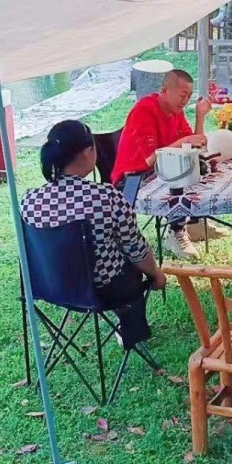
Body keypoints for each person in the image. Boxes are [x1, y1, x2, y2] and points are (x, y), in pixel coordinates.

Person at [20, 119, 166, 348]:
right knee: (129, 263)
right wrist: (157, 274)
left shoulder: (29, 201)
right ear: (88, 152)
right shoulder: (106, 196)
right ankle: (130, 332)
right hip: (102, 290)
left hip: (48, 286)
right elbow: (136, 251)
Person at [110, 69, 212, 259]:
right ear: (165, 90)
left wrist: (200, 116)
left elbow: (193, 147)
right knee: (178, 178)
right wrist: (183, 142)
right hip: (133, 177)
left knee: (199, 165)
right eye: (183, 95)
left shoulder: (176, 111)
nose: (185, 101)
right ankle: (175, 232)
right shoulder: (144, 109)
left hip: (160, 169)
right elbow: (149, 159)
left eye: (189, 96)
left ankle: (195, 223)